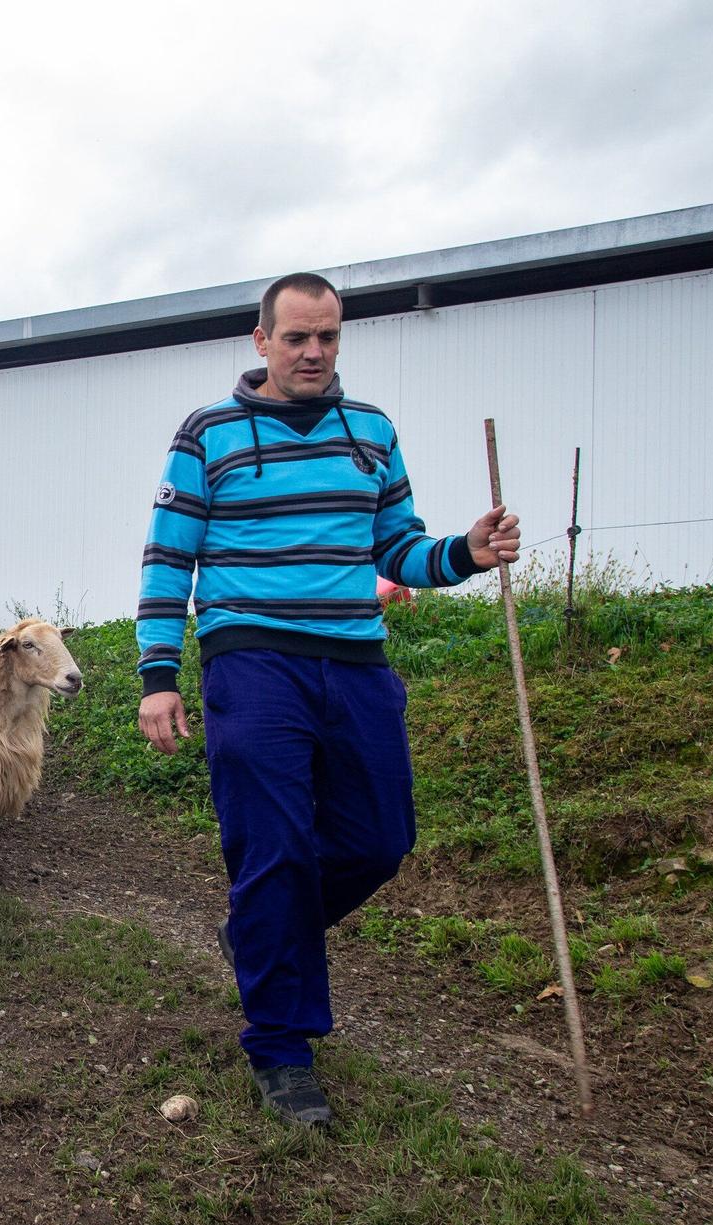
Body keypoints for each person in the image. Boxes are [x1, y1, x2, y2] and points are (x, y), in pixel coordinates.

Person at [134, 272, 519, 1128]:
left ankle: (262, 933)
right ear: (261, 339)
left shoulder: (372, 430)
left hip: (354, 659)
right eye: (298, 337)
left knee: (381, 838)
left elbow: (401, 548)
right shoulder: (209, 434)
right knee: (274, 845)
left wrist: (468, 550)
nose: (314, 352)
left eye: (329, 337)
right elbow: (168, 561)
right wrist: (158, 676)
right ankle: (282, 1047)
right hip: (250, 658)